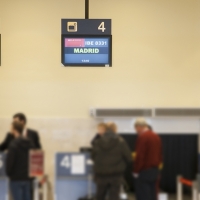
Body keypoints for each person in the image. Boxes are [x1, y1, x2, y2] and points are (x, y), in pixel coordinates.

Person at [92, 123, 133, 200]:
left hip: (101, 174)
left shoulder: (97, 142)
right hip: (116, 175)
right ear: (115, 130)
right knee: (114, 196)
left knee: (99, 196)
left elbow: (93, 156)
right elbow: (129, 157)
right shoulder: (121, 141)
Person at [133, 118, 162, 200]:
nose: (136, 131)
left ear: (139, 127)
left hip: (144, 171)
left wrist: (136, 171)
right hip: (155, 170)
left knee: (143, 195)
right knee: (153, 194)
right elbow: (159, 154)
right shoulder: (156, 136)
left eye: (135, 129)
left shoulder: (142, 137)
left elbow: (140, 156)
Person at [6, 121, 35, 200]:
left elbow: (10, 162)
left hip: (16, 179)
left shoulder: (13, 144)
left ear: (14, 130)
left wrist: (9, 174)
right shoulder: (30, 143)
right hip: (27, 178)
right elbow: (34, 159)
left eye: (11, 129)